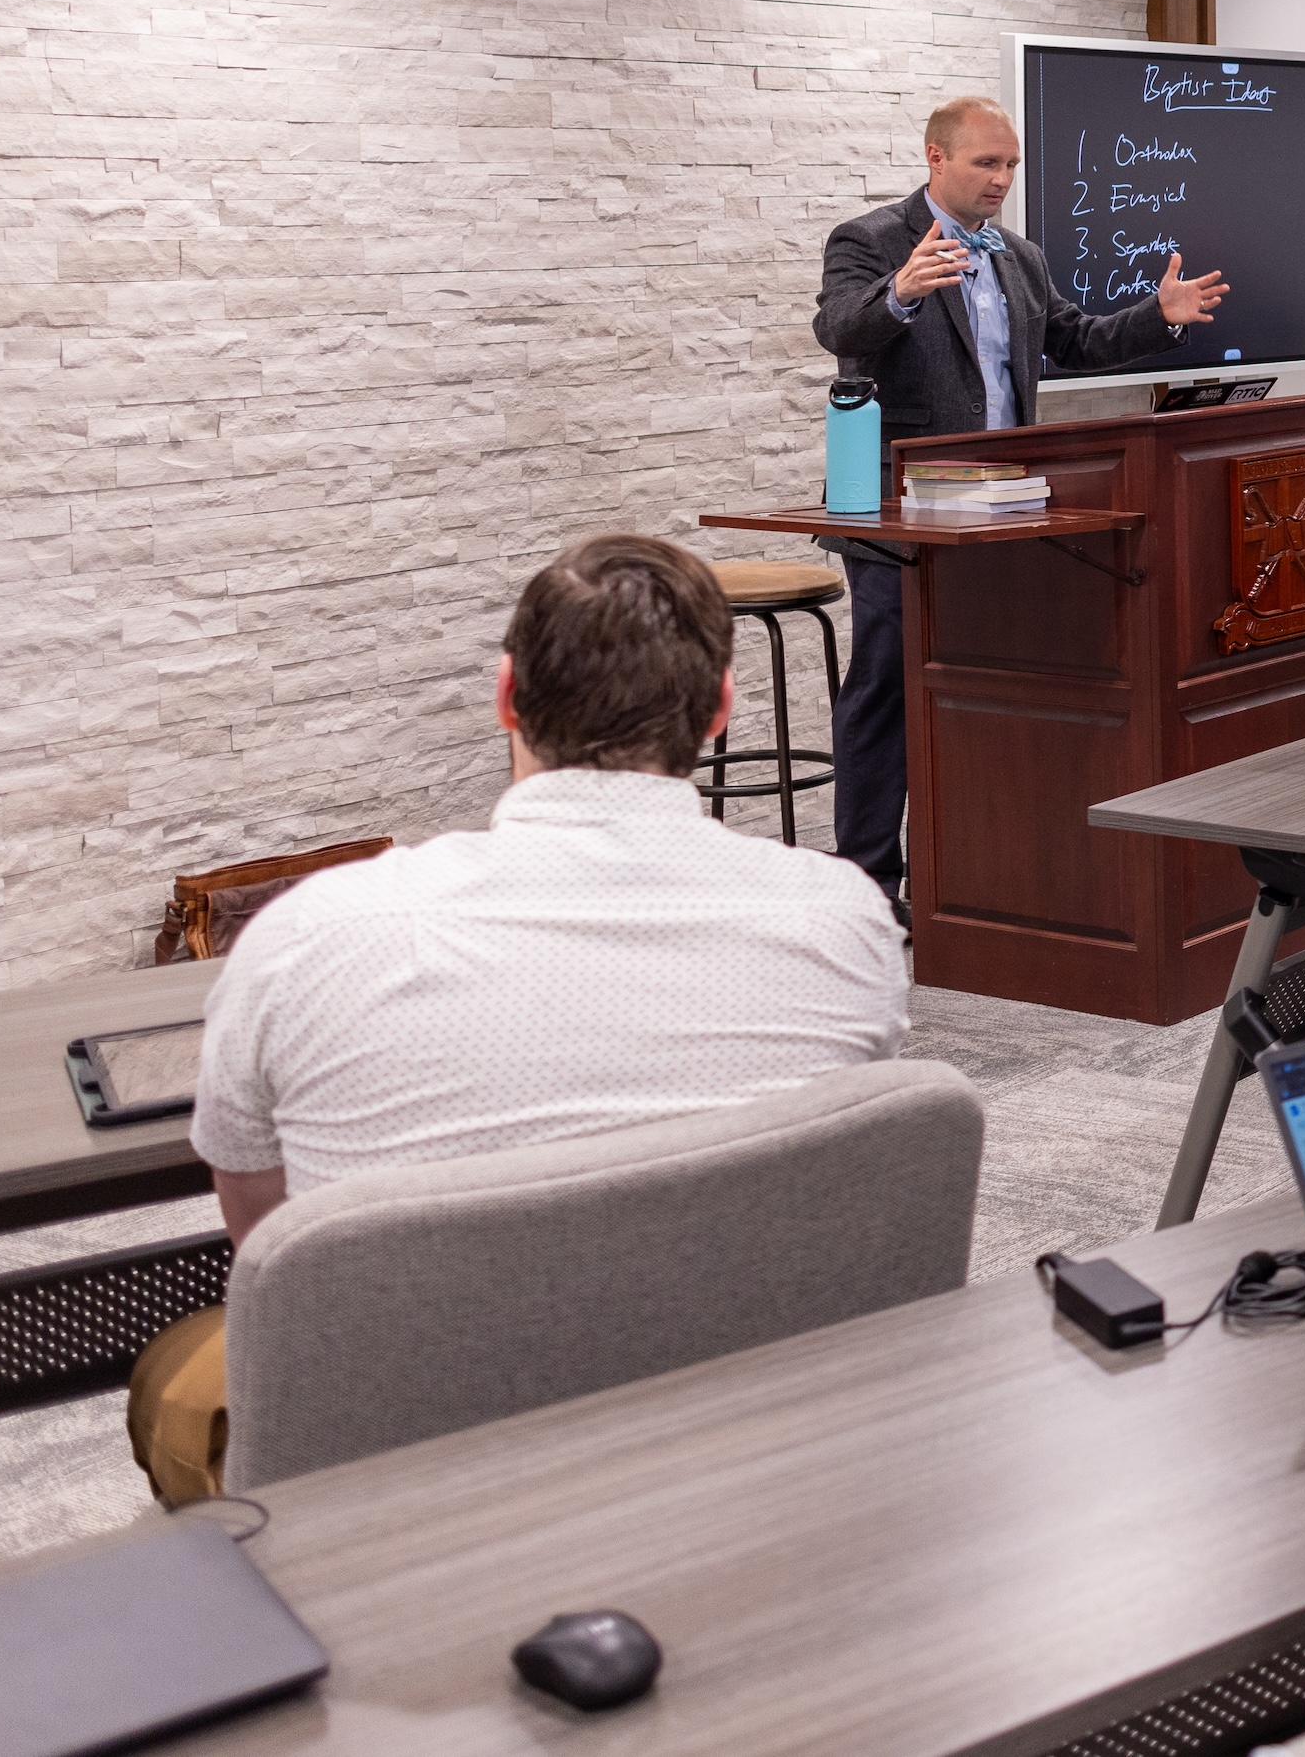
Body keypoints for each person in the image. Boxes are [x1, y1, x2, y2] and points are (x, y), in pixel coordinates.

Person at [127, 537, 910, 1504]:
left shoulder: (307, 937)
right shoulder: (846, 921)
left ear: (506, 697)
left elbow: (275, 1257)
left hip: (406, 1484)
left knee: (178, 1375)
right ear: (718, 709)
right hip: (754, 1453)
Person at [811, 95, 1229, 906]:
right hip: (903, 515)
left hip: (1003, 510)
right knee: (886, 695)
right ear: (935, 157)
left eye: (1011, 166)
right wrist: (898, 293)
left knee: (992, 692)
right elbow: (838, 331)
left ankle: (971, 868)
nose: (1002, 180)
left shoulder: (1018, 256)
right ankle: (866, 888)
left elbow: (1074, 340)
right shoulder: (870, 241)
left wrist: (1159, 318)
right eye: (985, 164)